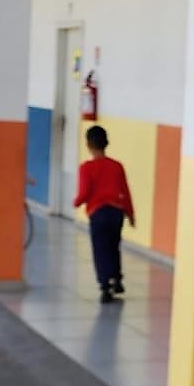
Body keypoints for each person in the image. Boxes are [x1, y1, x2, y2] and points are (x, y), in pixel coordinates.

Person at [72, 124, 135, 302]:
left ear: (88, 145)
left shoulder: (86, 168)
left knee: (100, 249)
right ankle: (117, 279)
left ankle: (105, 286)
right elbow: (125, 190)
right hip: (116, 212)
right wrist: (130, 213)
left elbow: (84, 193)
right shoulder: (117, 166)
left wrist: (76, 202)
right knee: (114, 246)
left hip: (98, 214)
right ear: (106, 143)